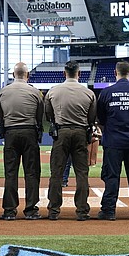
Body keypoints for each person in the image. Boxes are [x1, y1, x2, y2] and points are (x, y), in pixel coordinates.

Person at [96, 60, 129, 221]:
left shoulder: (106, 92)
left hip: (113, 142)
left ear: (115, 73)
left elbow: (101, 118)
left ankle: (109, 210)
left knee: (111, 176)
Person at [44, 60, 96, 221]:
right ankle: (82, 211)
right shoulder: (88, 93)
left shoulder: (53, 91)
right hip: (81, 132)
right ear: (79, 74)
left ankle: (53, 210)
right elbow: (92, 118)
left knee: (57, 172)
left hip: (61, 132)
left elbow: (48, 115)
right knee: (81, 172)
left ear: (64, 73)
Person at [0, 62, 44, 220]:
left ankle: (9, 210)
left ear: (13, 75)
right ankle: (31, 210)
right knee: (31, 173)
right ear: (27, 74)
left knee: (10, 173)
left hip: (11, 133)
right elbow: (40, 117)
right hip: (29, 131)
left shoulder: (3, 92)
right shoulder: (35, 92)